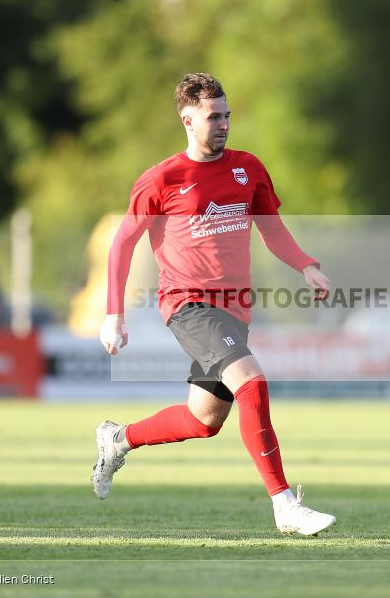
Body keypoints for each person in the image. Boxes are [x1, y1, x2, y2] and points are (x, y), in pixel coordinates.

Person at [92, 73, 336, 536]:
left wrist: (305, 265)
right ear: (187, 119)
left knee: (204, 420)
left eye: (226, 115)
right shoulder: (162, 178)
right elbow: (122, 243)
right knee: (253, 381)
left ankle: (117, 439)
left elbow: (272, 229)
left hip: (236, 308)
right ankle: (285, 505)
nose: (223, 124)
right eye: (212, 117)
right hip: (189, 304)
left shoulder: (249, 168)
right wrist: (113, 313)